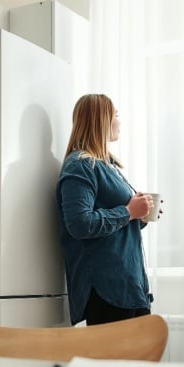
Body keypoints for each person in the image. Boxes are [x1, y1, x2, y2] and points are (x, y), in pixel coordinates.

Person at [55, 94, 159, 326]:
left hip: (128, 285)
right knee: (113, 362)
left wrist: (140, 215)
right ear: (102, 120)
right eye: (116, 116)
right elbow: (80, 224)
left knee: (136, 360)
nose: (120, 122)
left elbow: (118, 220)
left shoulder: (107, 166)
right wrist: (129, 211)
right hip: (107, 289)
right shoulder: (81, 165)